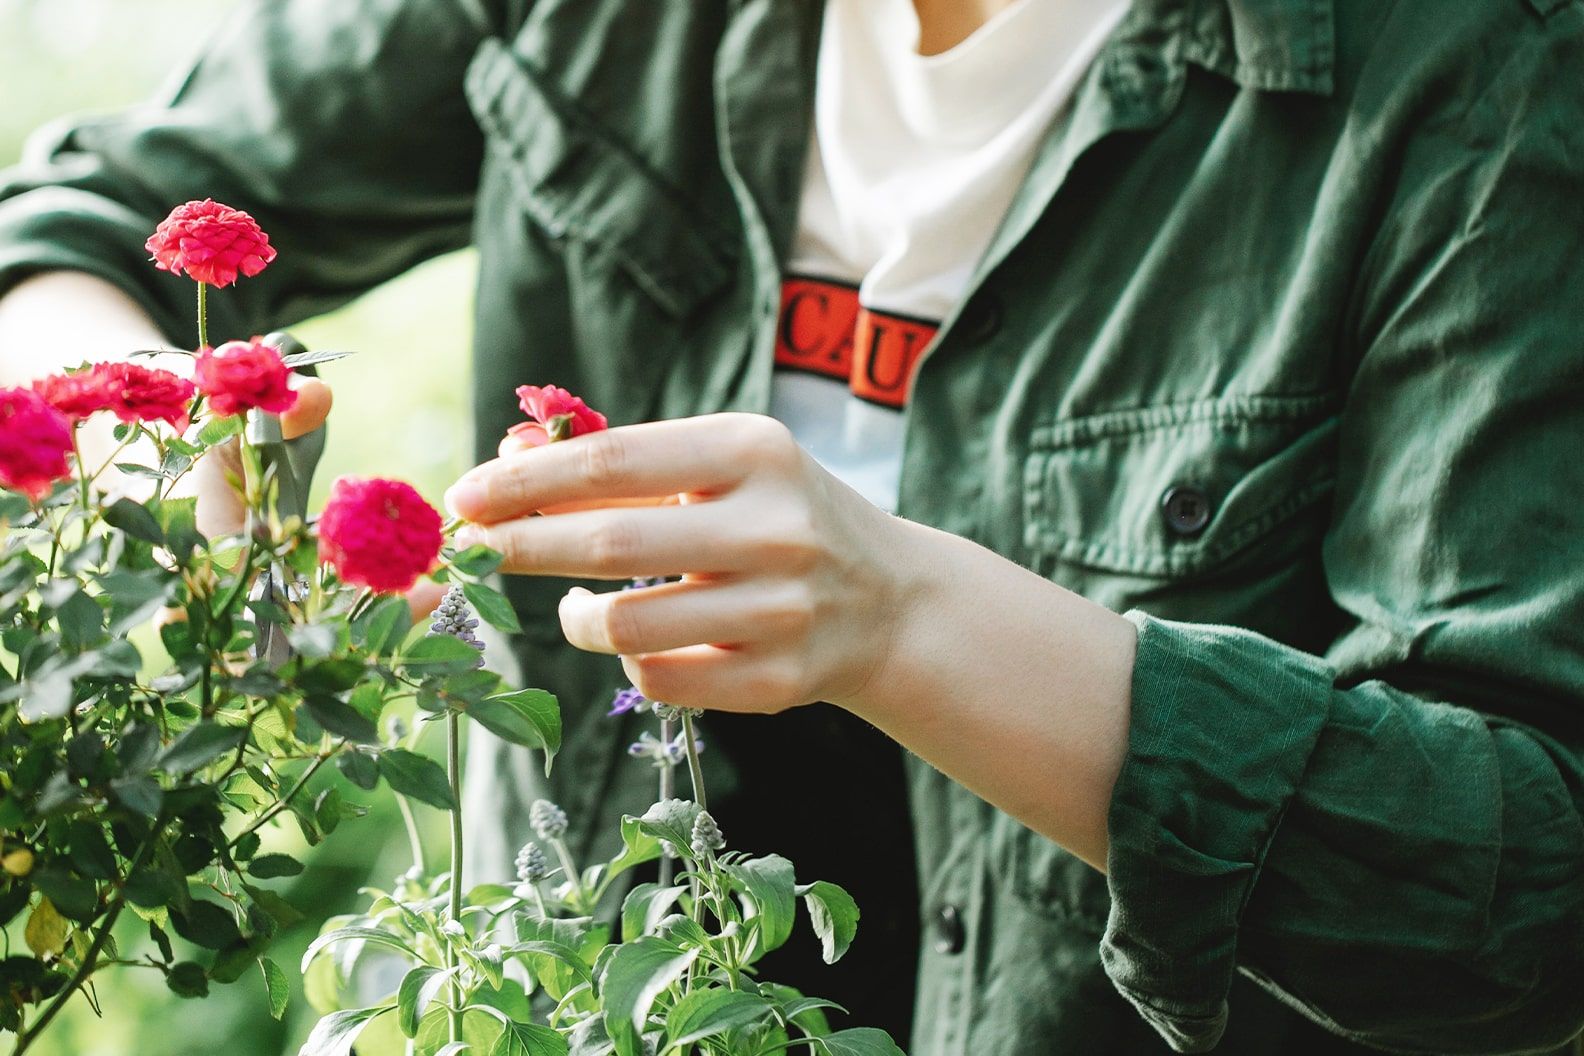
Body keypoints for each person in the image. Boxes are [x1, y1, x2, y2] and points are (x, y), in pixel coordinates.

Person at [1, 0, 1581, 1052]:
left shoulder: (1480, 79)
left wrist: (902, 619)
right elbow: (68, 226)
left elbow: (1524, 895)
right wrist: (157, 430)